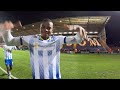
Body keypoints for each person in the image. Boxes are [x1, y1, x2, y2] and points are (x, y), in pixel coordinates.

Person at [0, 19, 88, 79]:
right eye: (43, 27)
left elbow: (77, 39)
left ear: (52, 30)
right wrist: (6, 30)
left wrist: (78, 28)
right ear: (40, 28)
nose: (45, 29)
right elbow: (10, 42)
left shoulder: (58, 39)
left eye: (49, 28)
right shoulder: (31, 39)